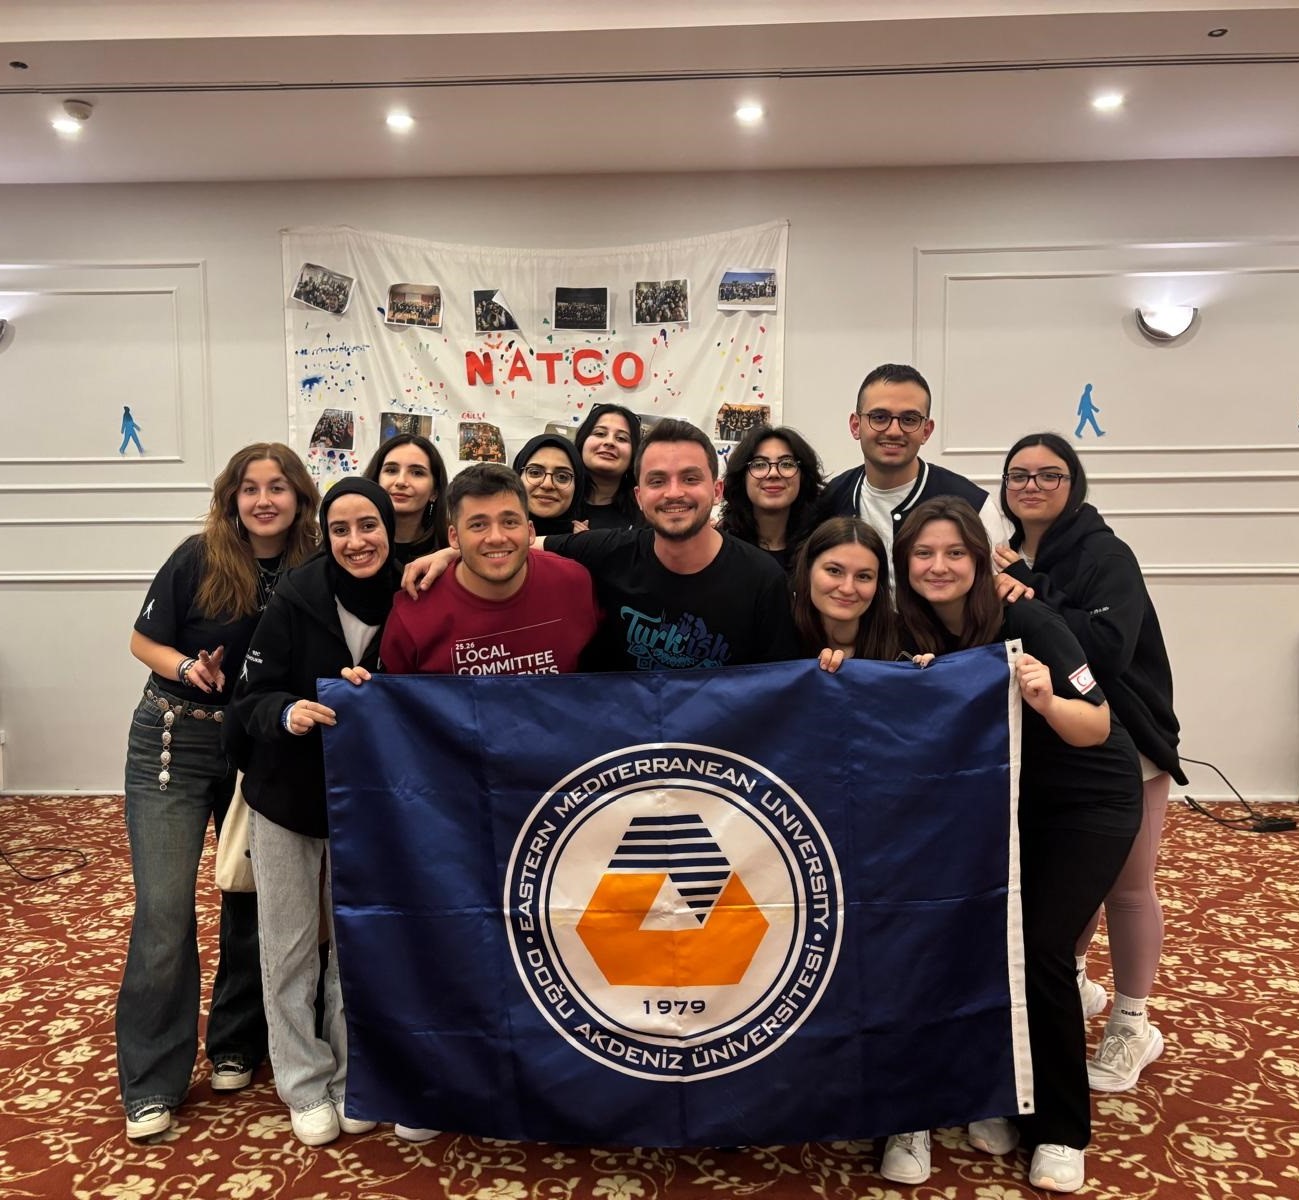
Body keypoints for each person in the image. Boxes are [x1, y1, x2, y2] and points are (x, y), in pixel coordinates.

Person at [883, 496, 1141, 1194]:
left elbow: (1095, 723)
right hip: (999, 802)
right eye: (923, 553)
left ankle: (1061, 1128)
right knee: (979, 941)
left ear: (979, 558)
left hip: (1086, 800)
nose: (938, 566)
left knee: (1040, 950)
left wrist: (1046, 699)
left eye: (955, 553)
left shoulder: (1027, 618)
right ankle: (997, 1092)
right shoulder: (904, 627)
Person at [116, 442, 319, 1140]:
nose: (263, 499)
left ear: (299, 496)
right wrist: (185, 666)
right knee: (164, 912)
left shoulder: (313, 564)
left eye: (277, 487)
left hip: (256, 745)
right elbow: (143, 641)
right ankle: (152, 1079)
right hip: (173, 740)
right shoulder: (198, 556)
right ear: (231, 497)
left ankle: (236, 1042)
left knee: (249, 900)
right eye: (249, 487)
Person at [993, 432, 1186, 1093]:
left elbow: (1103, 649)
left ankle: (1133, 1023)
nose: (1032, 486)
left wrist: (1029, 590)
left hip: (1128, 743)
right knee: (1067, 883)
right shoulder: (1012, 554)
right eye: (1018, 475)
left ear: (1072, 484)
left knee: (1126, 888)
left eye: (1048, 475)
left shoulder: (1105, 554)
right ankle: (1073, 986)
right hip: (1060, 743)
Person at [229, 477, 400, 1148]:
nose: (356, 541)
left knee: (359, 943)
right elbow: (250, 697)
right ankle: (303, 1082)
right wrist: (287, 711)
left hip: (373, 804)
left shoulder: (412, 593)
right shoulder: (297, 595)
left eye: (368, 526)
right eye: (340, 529)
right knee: (290, 944)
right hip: (288, 794)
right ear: (325, 536)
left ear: (389, 528)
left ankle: (354, 1074)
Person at [544, 418, 799, 670]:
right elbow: (528, 545)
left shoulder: (763, 579)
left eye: (690, 479)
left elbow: (782, 682)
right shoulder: (610, 551)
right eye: (657, 481)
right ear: (639, 497)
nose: (674, 493)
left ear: (717, 491)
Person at [380, 463, 599, 676]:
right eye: (478, 525)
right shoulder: (412, 614)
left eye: (510, 522)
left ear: (530, 531)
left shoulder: (574, 583)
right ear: (454, 537)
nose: (496, 538)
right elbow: (393, 696)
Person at [818, 363, 1009, 561]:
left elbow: (996, 580)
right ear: (855, 426)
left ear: (926, 431)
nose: (894, 431)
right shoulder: (829, 500)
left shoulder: (974, 506)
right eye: (879, 417)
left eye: (909, 419)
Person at [791, 517, 900, 666]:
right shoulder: (776, 636)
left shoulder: (906, 643)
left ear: (878, 583)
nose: (847, 589)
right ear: (808, 570)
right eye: (834, 571)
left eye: (863, 576)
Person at [718, 423, 825, 570]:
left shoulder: (822, 548)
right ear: (742, 477)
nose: (773, 473)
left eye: (786, 464)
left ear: (803, 477)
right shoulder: (720, 548)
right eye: (759, 464)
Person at [363, 433, 449, 565]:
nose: (401, 482)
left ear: (435, 491)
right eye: (391, 470)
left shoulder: (454, 548)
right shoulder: (350, 542)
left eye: (417, 473)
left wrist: (455, 554)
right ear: (376, 480)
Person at [572, 402, 643, 530]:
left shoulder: (644, 512)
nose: (609, 442)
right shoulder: (556, 501)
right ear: (582, 442)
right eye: (600, 434)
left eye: (621, 438)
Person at [510, 433, 586, 535]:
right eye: (535, 473)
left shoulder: (588, 541)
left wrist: (583, 542)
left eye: (562, 477)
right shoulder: (493, 534)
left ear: (577, 487)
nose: (547, 485)